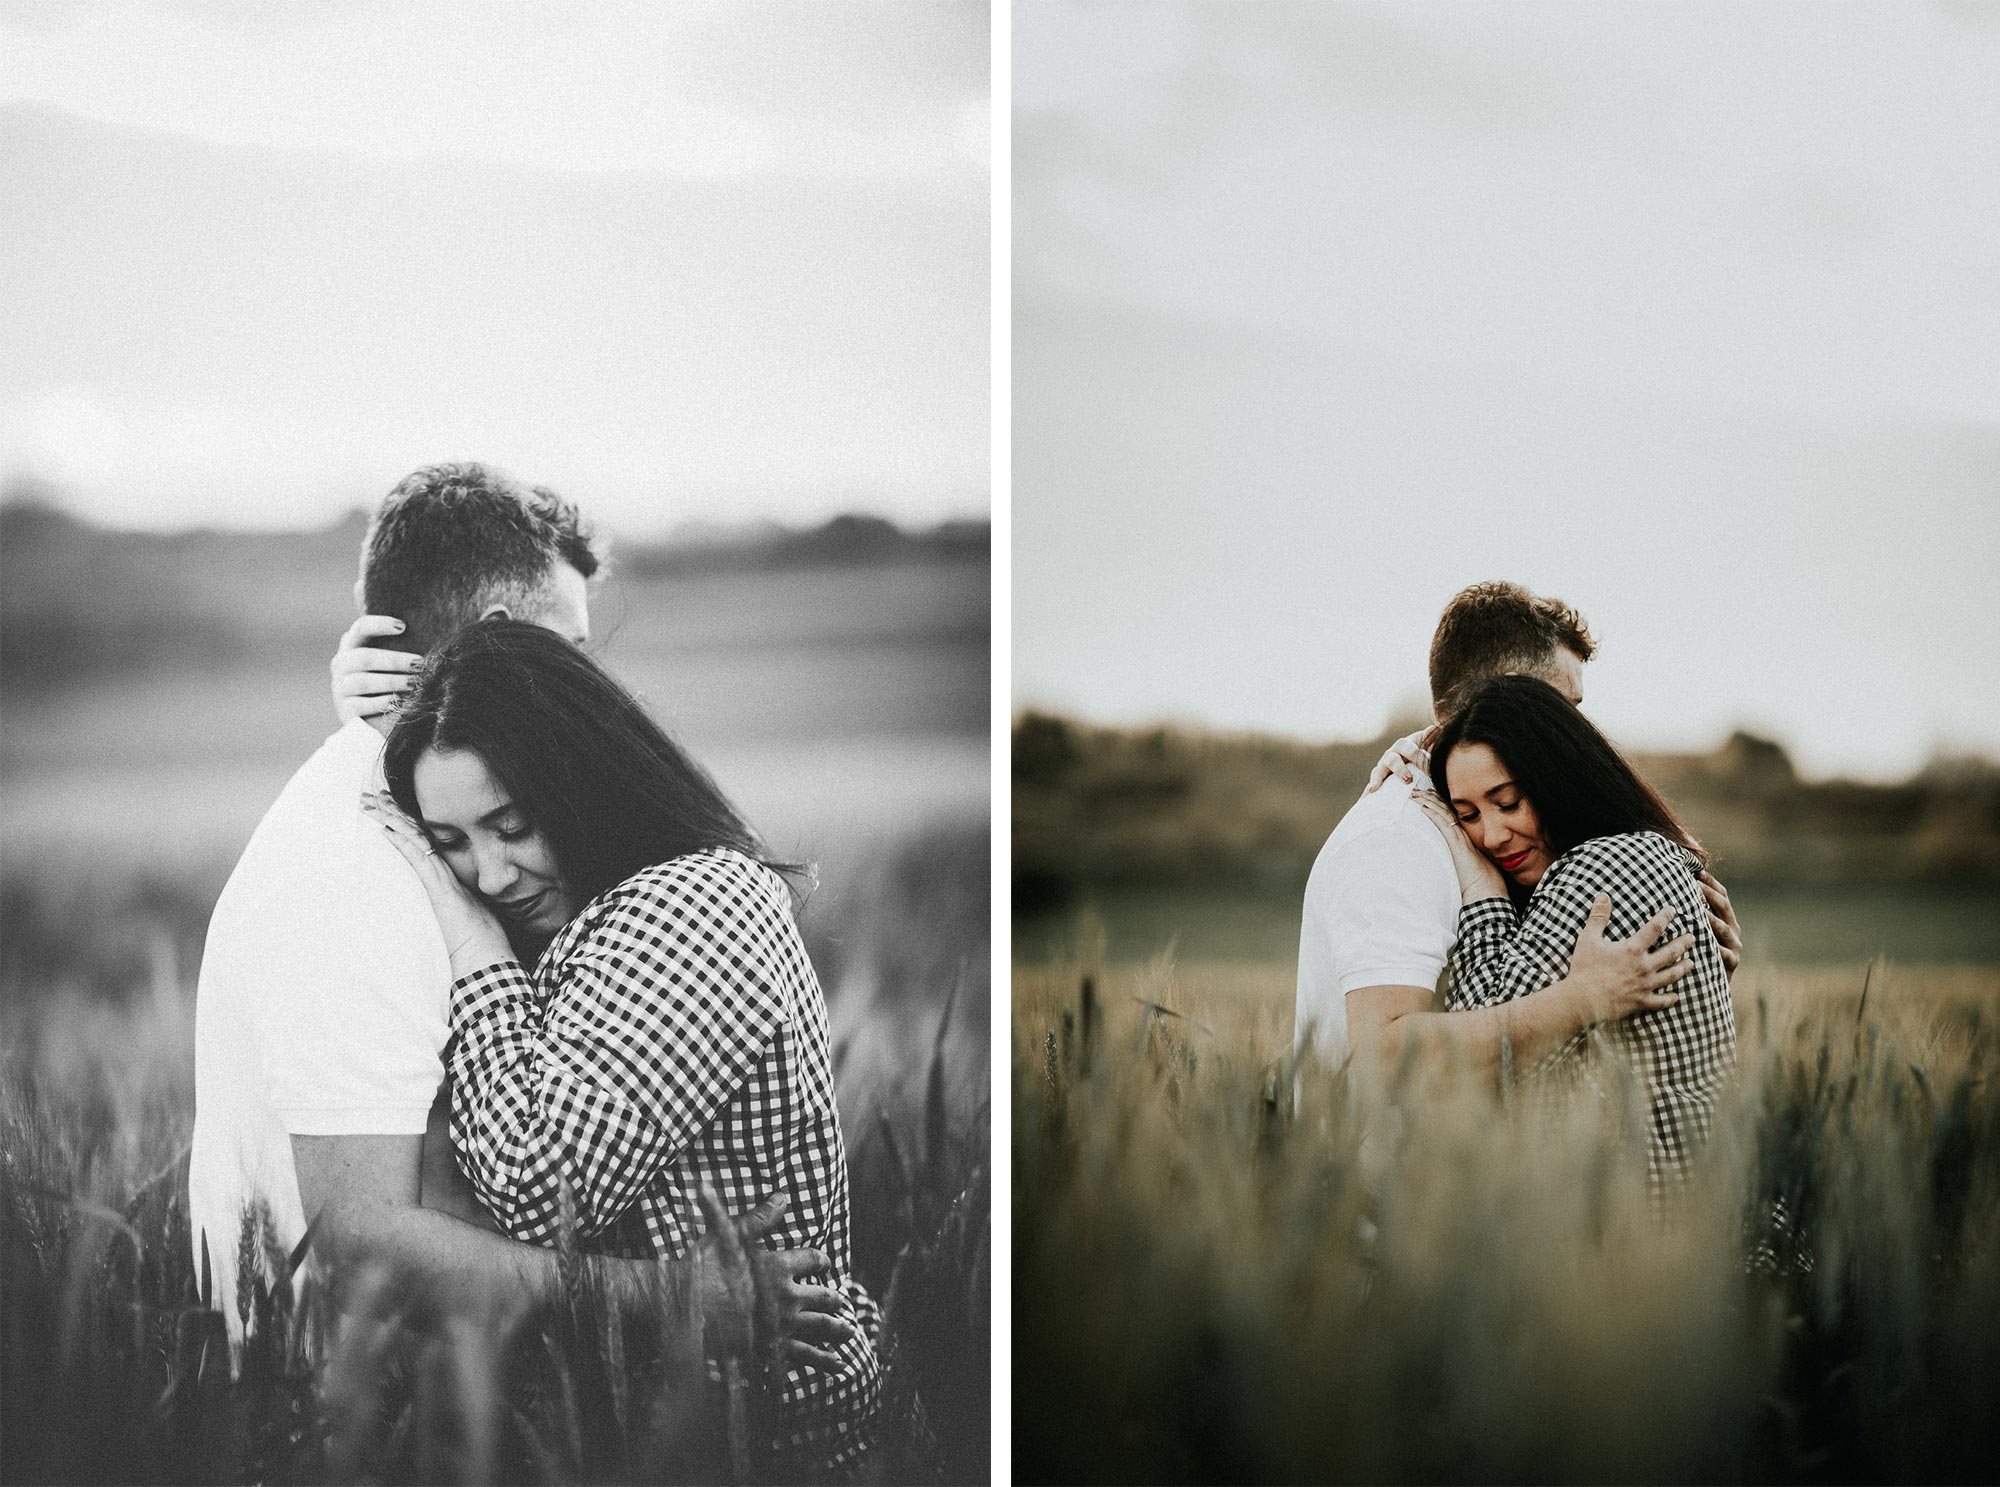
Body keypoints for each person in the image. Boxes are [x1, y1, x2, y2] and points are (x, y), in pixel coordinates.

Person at [187, 463, 850, 1364]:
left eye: (505, 825)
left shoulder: (471, 837)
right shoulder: (363, 856)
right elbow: (371, 1238)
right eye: (571, 646)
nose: (591, 682)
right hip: (346, 1419)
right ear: (498, 638)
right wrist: (670, 1298)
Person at [361, 619, 880, 1474]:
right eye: (448, 844)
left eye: (512, 824)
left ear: (583, 784)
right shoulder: (608, 914)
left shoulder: (695, 906)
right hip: (656, 1425)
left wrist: (472, 946)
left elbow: (539, 1186)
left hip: (760, 1433)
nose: (488, 875)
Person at [1293, 581, 1742, 1098]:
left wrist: (1696, 968)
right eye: (1562, 708)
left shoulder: (1561, 849)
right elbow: (1387, 1059)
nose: (1579, 730)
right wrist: (1585, 997)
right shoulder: (1401, 837)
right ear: (1505, 701)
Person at [1416, 673, 1737, 1189]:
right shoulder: (1645, 851)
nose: (1492, 835)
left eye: (1509, 801)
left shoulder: (1603, 868)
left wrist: (1480, 886)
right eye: (1467, 816)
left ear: (1557, 778)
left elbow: (1479, 1049)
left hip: (1652, 1222)